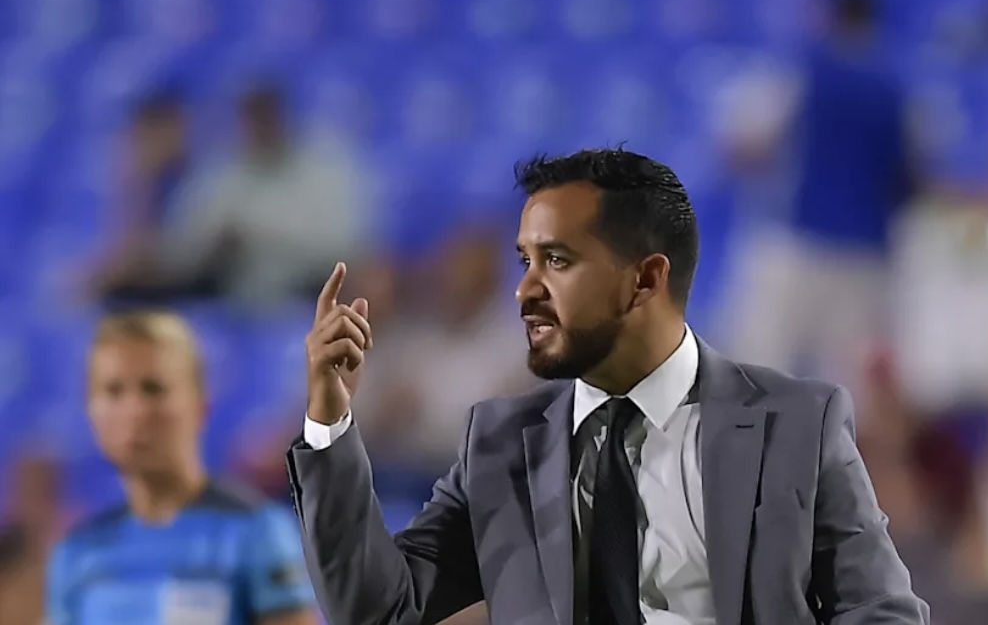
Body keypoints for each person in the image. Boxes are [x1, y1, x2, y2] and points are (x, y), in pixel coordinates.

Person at [288, 149, 929, 625]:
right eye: (525, 261)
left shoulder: (796, 424)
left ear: (645, 280)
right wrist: (328, 423)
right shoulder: (501, 445)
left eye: (557, 261)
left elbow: (880, 610)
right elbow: (378, 609)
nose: (525, 289)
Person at [46, 311, 319, 625]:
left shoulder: (255, 533)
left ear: (200, 406)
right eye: (113, 391)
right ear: (90, 410)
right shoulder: (77, 551)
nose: (134, 411)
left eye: (154, 389)